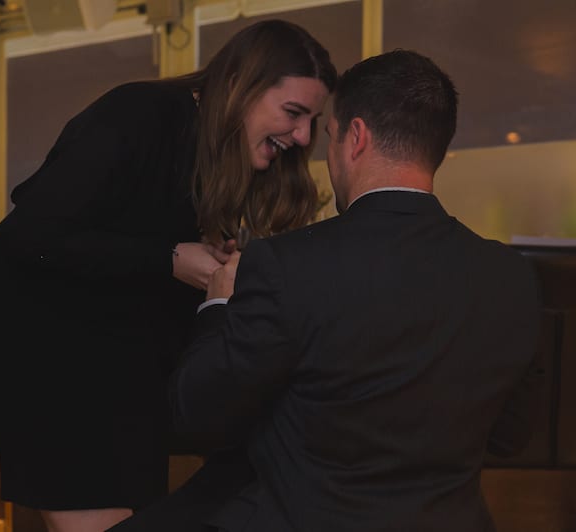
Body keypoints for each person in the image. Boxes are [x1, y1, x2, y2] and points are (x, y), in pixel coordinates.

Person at [108, 50, 541, 532]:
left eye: (329, 137)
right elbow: (510, 436)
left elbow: (196, 417)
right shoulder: (511, 275)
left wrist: (217, 304)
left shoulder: (286, 265)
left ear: (355, 138)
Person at [0, 20, 336, 532]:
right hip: (39, 340)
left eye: (313, 120)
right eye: (294, 113)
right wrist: (171, 258)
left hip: (116, 356)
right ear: (241, 82)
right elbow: (35, 235)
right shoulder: (137, 115)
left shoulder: (218, 158)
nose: (304, 136)